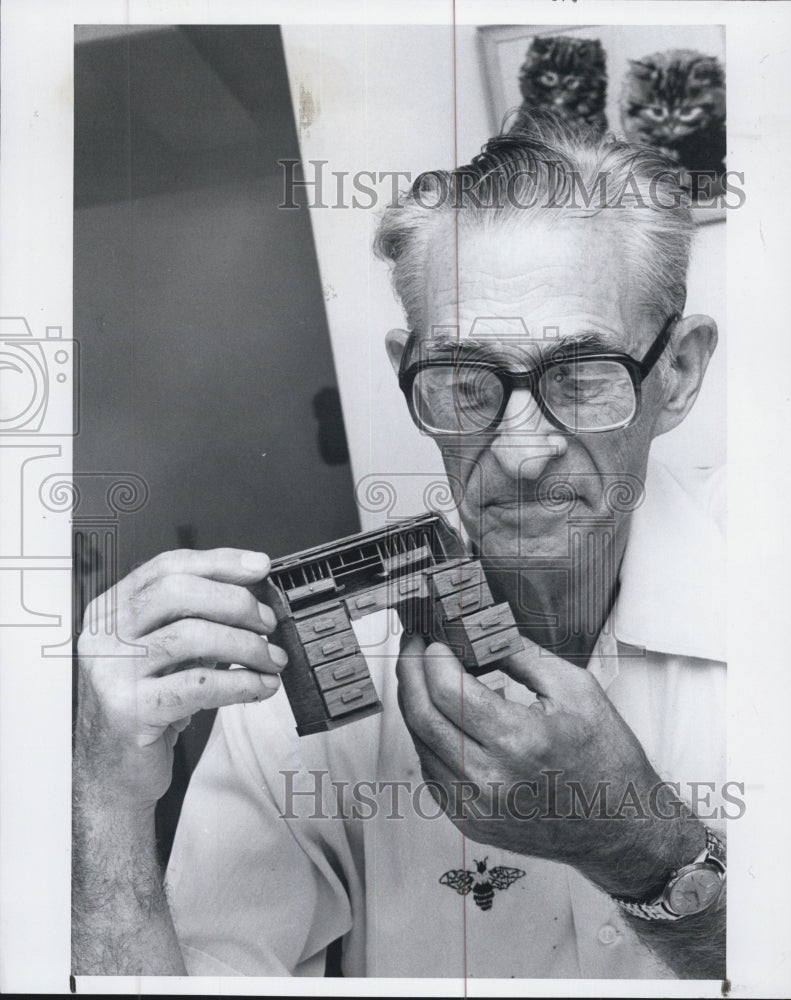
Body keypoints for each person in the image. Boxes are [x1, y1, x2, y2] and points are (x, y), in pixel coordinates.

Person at [72, 117, 727, 980]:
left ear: (674, 372)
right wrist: (103, 801)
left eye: (580, 375)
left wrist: (637, 845)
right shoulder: (291, 698)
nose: (523, 451)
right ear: (405, 375)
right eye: (463, 382)